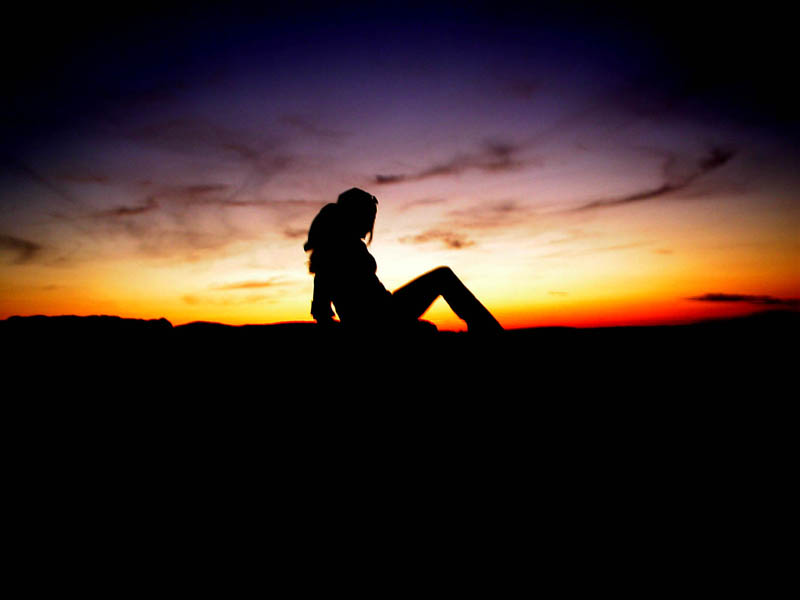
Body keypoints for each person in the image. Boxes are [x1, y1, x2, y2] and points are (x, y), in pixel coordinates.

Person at [304, 188, 503, 334]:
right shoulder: (338, 249)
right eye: (367, 217)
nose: (369, 224)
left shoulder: (341, 247)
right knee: (443, 277)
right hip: (381, 317)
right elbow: (322, 309)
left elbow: (322, 306)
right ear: (354, 215)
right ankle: (491, 333)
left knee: (442, 281)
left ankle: (486, 329)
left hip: (383, 310)